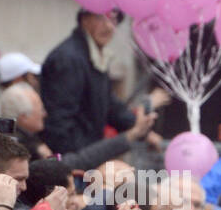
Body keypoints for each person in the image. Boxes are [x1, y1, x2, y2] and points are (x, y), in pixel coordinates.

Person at [40, 9, 162, 155]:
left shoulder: (95, 55)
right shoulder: (68, 59)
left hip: (87, 155)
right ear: (84, 20)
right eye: (101, 18)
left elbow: (110, 106)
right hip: (71, 161)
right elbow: (60, 122)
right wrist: (80, 162)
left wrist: (144, 130)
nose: (109, 26)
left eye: (114, 20)